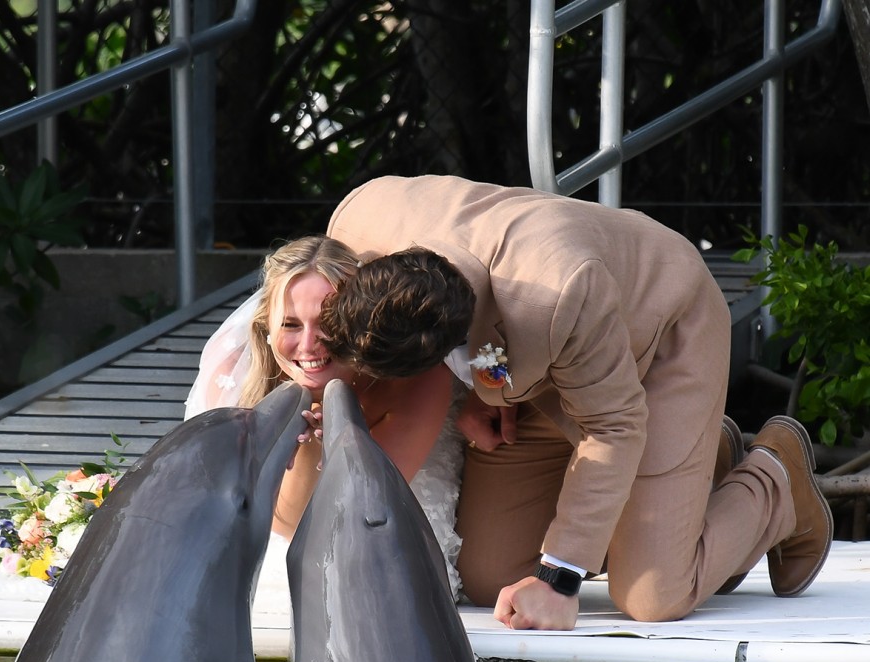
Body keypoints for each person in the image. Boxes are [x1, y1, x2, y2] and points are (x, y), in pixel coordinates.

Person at [317, 174, 834, 631]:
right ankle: (699, 472)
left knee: (653, 595)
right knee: (489, 576)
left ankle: (776, 478)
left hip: (654, 347)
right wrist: (475, 394)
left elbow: (614, 427)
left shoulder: (560, 293)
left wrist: (560, 583)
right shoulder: (361, 219)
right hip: (546, 370)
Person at [184, 235, 474, 596]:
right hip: (277, 528)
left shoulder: (415, 379)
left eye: (327, 322)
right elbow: (254, 518)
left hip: (378, 525)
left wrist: (320, 444)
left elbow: (352, 518)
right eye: (290, 325)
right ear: (266, 325)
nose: (308, 346)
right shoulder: (232, 374)